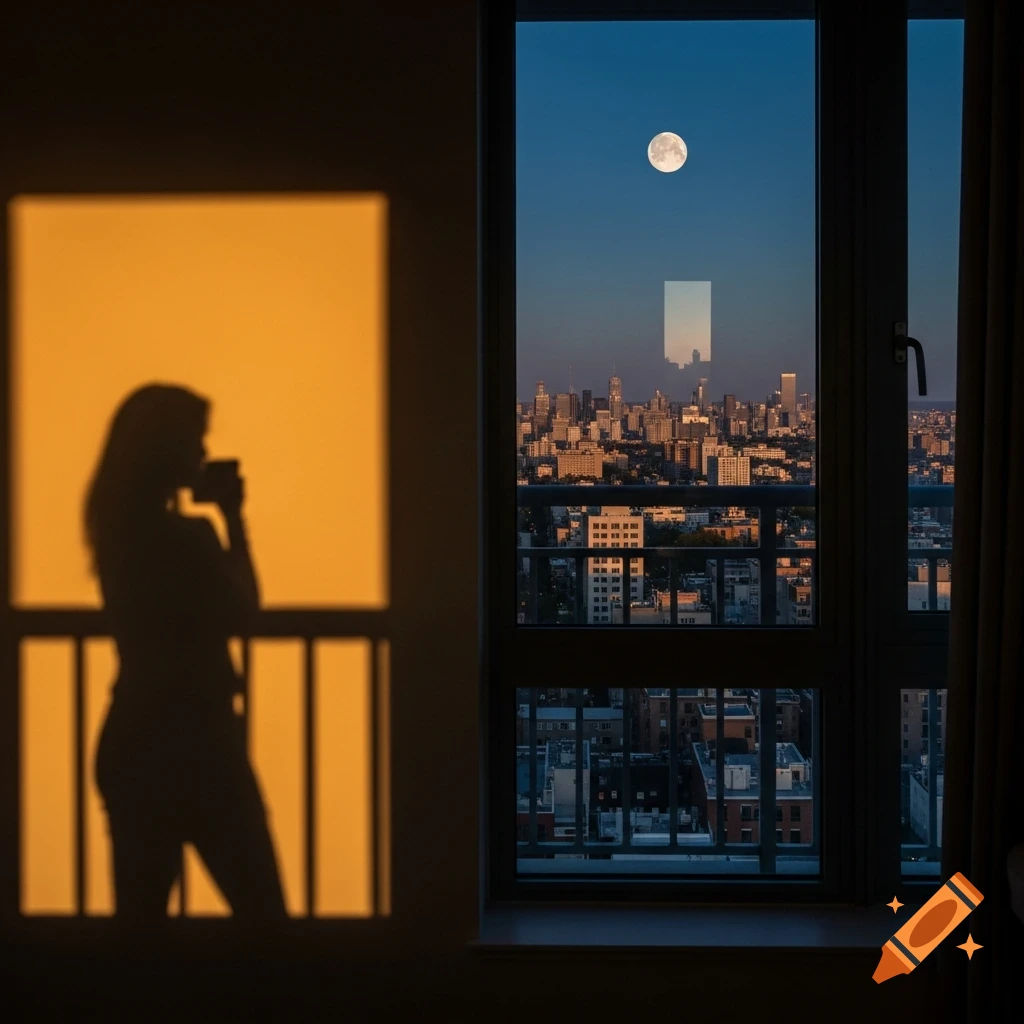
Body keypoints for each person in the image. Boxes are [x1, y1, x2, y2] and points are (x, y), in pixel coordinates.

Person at [86, 383, 286, 921]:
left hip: (133, 739)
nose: (202, 455)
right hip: (198, 743)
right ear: (166, 450)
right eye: (194, 441)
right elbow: (245, 609)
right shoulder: (186, 539)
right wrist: (233, 519)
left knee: (141, 931)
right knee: (266, 919)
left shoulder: (117, 534)